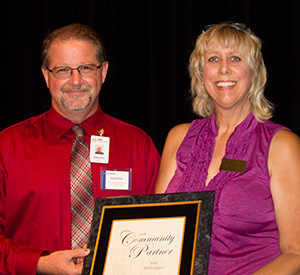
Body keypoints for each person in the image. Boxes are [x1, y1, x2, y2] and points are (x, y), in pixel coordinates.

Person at [0, 23, 160, 275]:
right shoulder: (7, 146)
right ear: (46, 75)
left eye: (86, 68)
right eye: (63, 69)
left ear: (103, 71)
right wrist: (39, 263)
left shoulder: (139, 146)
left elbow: (160, 231)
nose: (76, 81)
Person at [155, 22, 300, 274]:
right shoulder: (178, 137)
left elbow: (296, 252)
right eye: (213, 59)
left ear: (254, 72)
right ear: (201, 74)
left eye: (235, 58)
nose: (224, 69)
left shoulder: (281, 145)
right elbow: (155, 231)